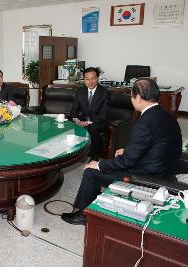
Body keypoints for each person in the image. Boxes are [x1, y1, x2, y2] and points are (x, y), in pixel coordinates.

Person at [62, 78, 182, 225]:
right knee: (116, 155)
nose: (132, 99)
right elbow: (157, 143)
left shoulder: (144, 123)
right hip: (165, 169)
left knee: (91, 172)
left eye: (132, 96)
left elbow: (127, 162)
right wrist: (127, 150)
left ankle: (85, 214)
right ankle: (96, 201)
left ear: (138, 97)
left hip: (147, 176)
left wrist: (99, 165)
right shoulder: (168, 115)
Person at [70, 67, 109, 161]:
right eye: (87, 79)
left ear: (97, 78)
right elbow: (74, 109)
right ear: (84, 79)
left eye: (93, 78)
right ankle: (78, 153)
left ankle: (94, 156)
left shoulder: (104, 93)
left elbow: (103, 115)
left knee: (92, 127)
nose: (90, 81)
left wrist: (87, 123)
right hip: (83, 119)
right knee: (71, 123)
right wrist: (76, 119)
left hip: (99, 121)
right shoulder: (81, 91)